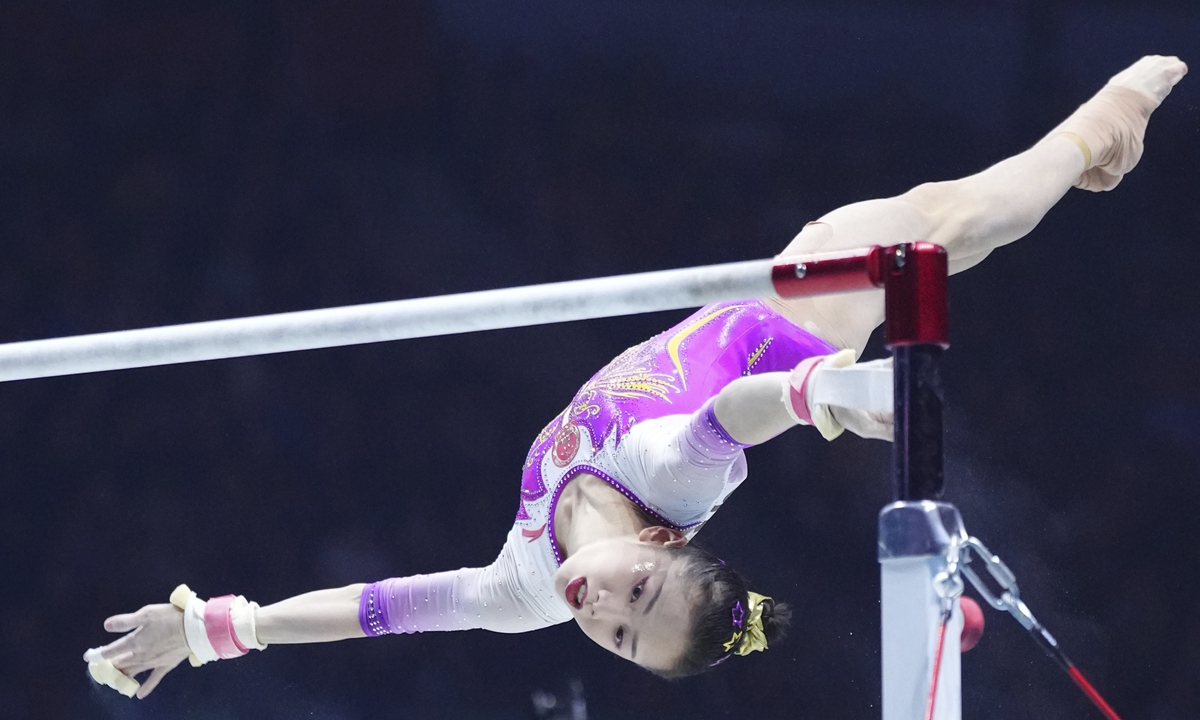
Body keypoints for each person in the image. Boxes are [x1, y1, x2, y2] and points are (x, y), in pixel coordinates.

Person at [84, 54, 1187, 699]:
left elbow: (380, 612)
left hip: (807, 331)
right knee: (965, 216)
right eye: (638, 600)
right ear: (661, 546)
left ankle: (1096, 147)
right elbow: (735, 410)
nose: (602, 609)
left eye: (615, 635)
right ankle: (1113, 114)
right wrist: (823, 398)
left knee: (971, 221)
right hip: (805, 305)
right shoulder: (673, 475)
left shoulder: (522, 591)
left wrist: (220, 630)